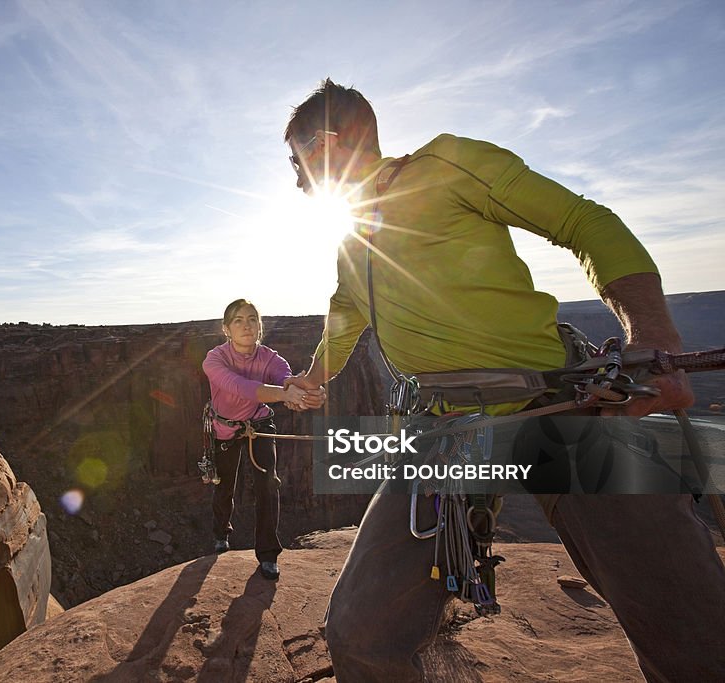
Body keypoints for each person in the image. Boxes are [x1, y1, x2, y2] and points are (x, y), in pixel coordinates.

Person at [282, 79, 724, 681]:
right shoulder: (350, 237)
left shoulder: (449, 163)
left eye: (296, 160)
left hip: (560, 406)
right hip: (442, 432)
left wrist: (655, 336)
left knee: (696, 639)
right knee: (362, 636)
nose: (297, 178)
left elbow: (584, 222)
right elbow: (345, 314)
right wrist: (313, 376)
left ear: (327, 141)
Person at [202, 298, 323, 580]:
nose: (247, 326)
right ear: (226, 329)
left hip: (258, 424)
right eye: (238, 320)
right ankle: (221, 533)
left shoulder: (270, 358)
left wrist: (304, 392)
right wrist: (285, 394)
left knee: (268, 485)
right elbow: (240, 387)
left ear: (260, 326)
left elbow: (286, 379)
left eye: (252, 319)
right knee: (224, 487)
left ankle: (268, 554)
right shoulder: (214, 359)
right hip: (225, 429)